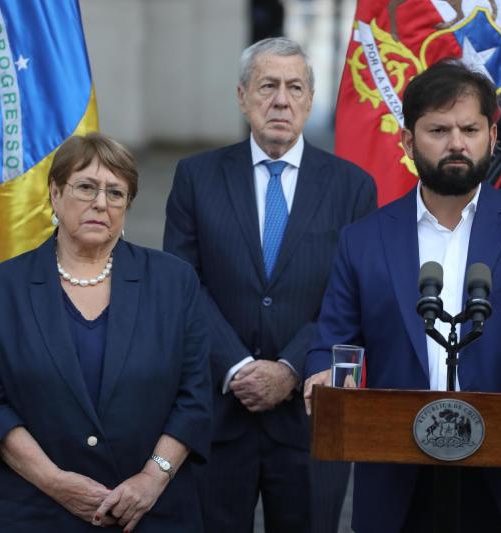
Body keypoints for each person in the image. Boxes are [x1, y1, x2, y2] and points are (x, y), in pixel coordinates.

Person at [304, 59, 501, 532]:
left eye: (470, 128)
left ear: (492, 135)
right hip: (401, 473)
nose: (456, 143)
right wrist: (323, 373)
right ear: (407, 142)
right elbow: (333, 335)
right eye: (438, 129)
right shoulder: (363, 240)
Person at [163, 37, 377, 532]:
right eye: (267, 86)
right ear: (242, 97)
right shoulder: (196, 177)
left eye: (294, 87)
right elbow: (183, 283)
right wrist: (237, 366)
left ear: (309, 99)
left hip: (308, 417)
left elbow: (356, 298)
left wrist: (290, 368)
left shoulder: (352, 187)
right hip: (218, 414)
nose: (281, 100)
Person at [0, 133, 211, 532]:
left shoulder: (173, 282)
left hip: (150, 513)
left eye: (116, 193)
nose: (101, 202)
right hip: (35, 512)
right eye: (86, 187)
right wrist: (54, 482)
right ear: (55, 194)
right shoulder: (2, 288)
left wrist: (152, 477)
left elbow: (195, 397)